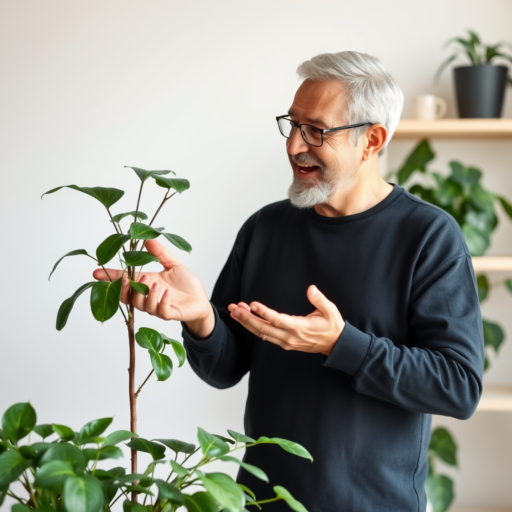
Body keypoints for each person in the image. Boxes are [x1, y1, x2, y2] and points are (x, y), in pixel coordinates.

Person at [94, 51, 484, 512]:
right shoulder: (265, 229)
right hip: (263, 502)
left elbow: (458, 387)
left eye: (316, 130)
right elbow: (224, 369)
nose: (294, 145)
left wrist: (341, 344)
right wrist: (202, 320)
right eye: (292, 124)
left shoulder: (428, 236)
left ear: (372, 140)